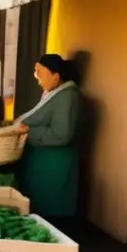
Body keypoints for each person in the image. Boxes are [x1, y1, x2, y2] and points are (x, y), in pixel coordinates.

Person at [15, 54, 80, 218]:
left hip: (54, 167)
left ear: (56, 76)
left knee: (51, 214)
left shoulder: (68, 97)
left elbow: (61, 134)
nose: (37, 79)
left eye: (40, 74)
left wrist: (28, 130)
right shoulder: (54, 92)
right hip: (42, 162)